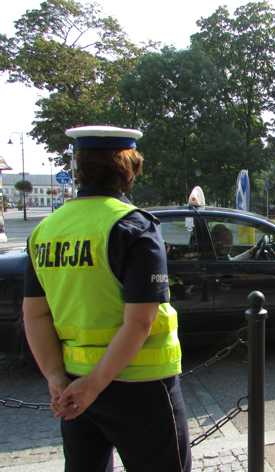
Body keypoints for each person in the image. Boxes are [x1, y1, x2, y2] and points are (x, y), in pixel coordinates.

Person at [23, 126, 191, 472]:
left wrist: (57, 378)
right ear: (129, 170)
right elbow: (140, 321)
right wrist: (95, 385)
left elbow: (35, 315)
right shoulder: (134, 226)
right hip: (141, 387)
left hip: (72, 384)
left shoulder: (45, 230)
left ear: (77, 168)